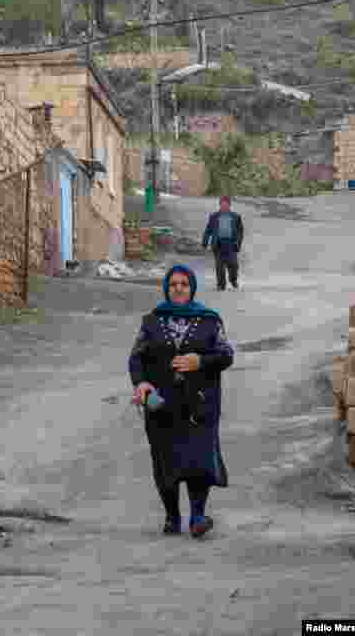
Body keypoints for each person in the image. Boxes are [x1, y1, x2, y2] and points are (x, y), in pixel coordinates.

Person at [129, 264, 234, 539]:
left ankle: (198, 517)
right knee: (165, 459)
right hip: (162, 404)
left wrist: (200, 360)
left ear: (192, 288)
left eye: (184, 284)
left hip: (200, 404)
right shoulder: (152, 321)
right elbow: (136, 358)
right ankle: (172, 516)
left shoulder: (210, 320)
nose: (178, 288)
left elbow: (226, 355)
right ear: (166, 288)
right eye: (173, 284)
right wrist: (140, 382)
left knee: (199, 459)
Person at [202, 196, 244, 291]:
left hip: (231, 244)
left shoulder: (236, 217)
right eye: (222, 205)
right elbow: (208, 230)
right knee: (219, 267)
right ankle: (221, 284)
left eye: (226, 205)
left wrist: (238, 243)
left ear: (229, 205)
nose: (224, 207)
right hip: (218, 244)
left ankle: (233, 280)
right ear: (220, 205)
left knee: (233, 265)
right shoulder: (214, 216)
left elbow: (240, 231)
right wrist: (205, 242)